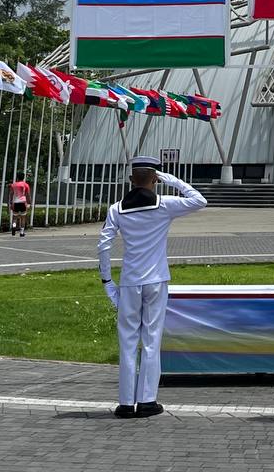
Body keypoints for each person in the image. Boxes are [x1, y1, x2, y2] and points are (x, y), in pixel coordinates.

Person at [97, 154, 206, 419]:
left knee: (127, 341)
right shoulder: (164, 205)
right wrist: (172, 180)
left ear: (131, 179)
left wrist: (107, 281)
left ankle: (125, 402)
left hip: (130, 280)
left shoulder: (117, 209)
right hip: (156, 279)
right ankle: (147, 400)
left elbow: (103, 246)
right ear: (155, 179)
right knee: (151, 339)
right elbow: (199, 200)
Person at [8, 172, 32, 236]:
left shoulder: (13, 185)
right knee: (23, 218)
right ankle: (22, 232)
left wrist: (10, 202)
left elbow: (11, 194)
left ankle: (14, 227)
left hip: (15, 202)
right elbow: (28, 195)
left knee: (14, 218)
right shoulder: (26, 185)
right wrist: (30, 203)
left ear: (17, 177)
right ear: (23, 178)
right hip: (23, 202)